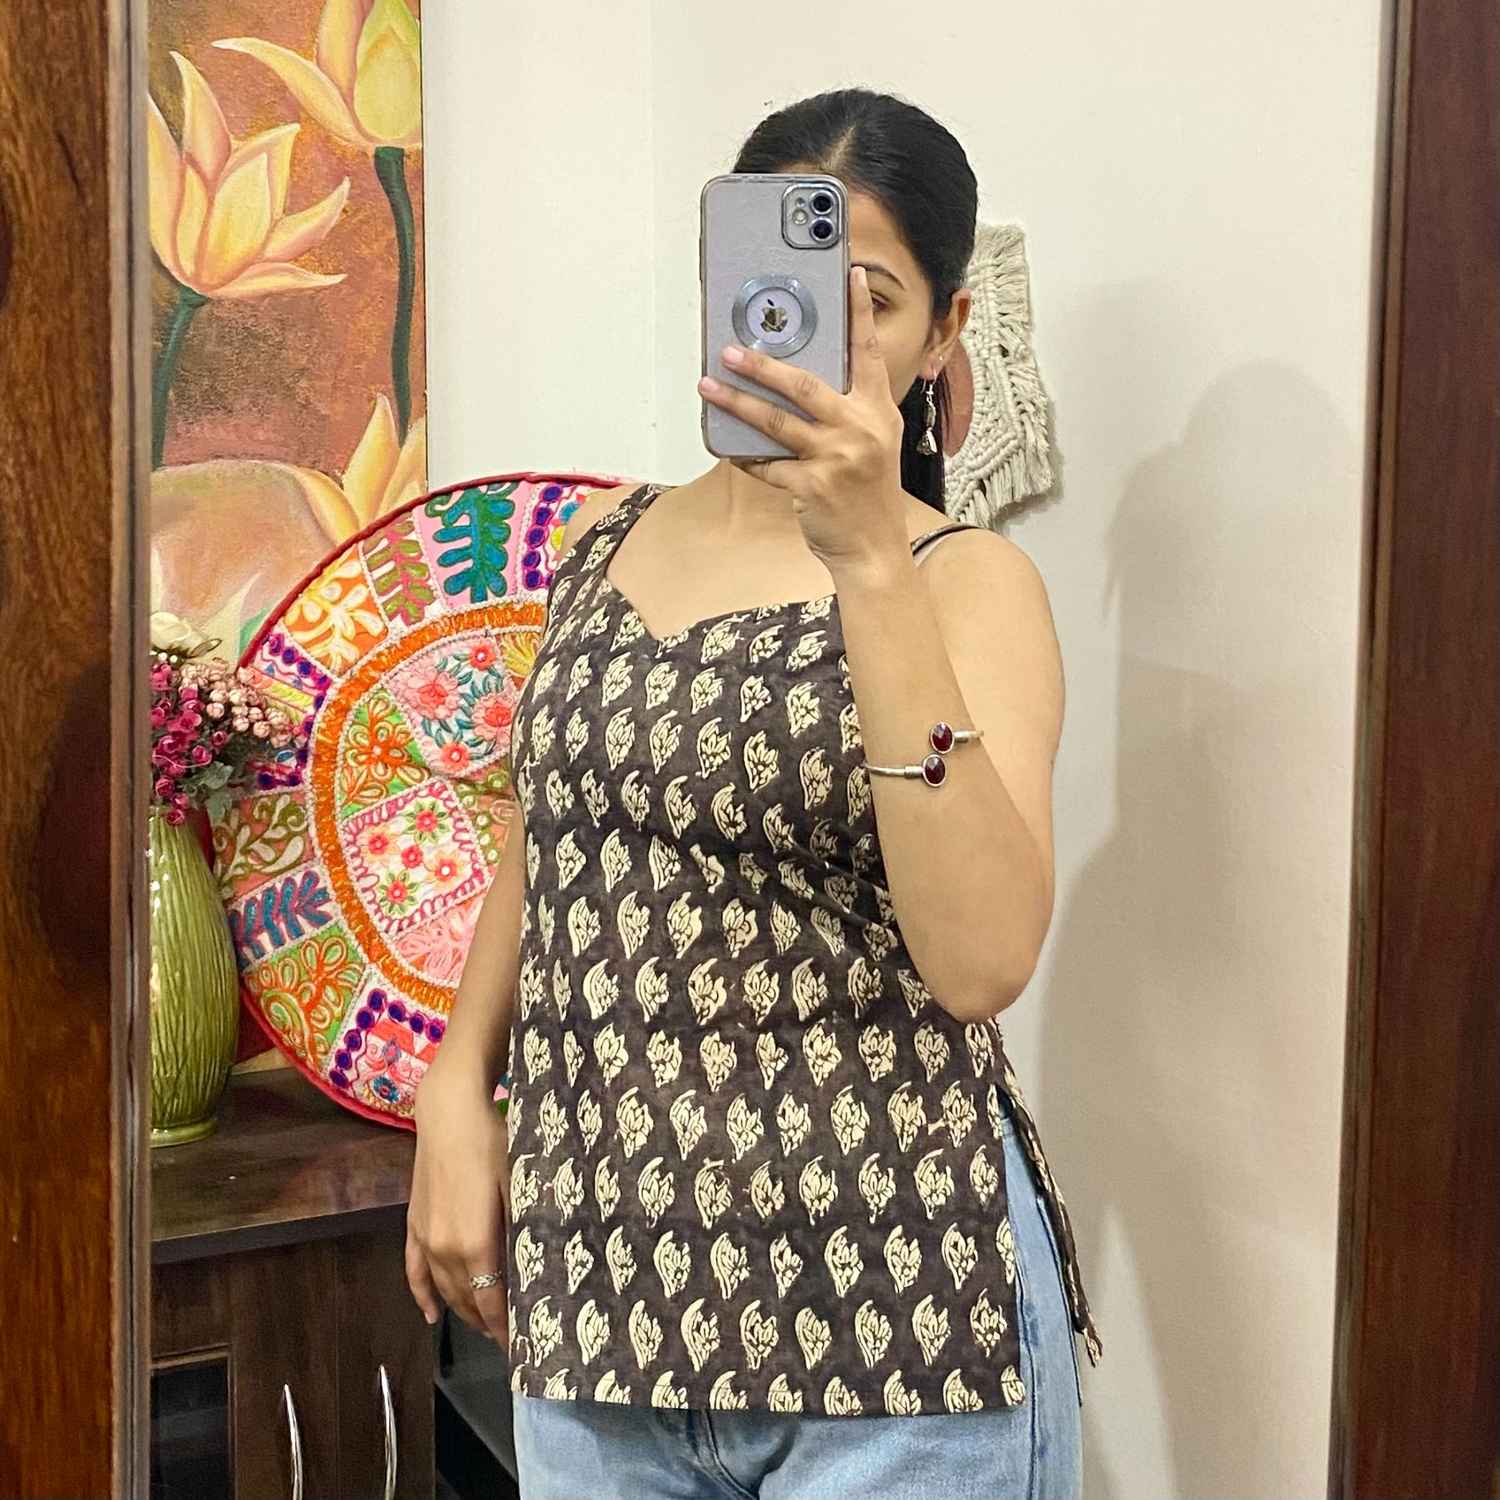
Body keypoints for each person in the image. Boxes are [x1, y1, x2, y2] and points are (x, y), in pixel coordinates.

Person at [406, 86, 1103, 1500]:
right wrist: (455, 1088)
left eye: (873, 301)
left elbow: (981, 961)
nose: (812, 331)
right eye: (777, 281)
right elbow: (554, 838)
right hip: (600, 1314)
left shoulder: (966, 584)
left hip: (894, 1342)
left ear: (945, 334)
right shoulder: (606, 544)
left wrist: (870, 565)